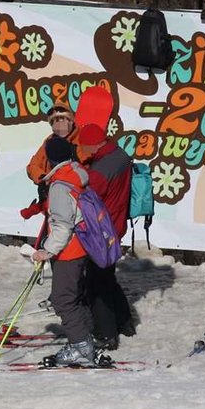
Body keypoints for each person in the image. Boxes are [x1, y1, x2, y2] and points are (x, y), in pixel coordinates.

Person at [31, 135, 95, 366]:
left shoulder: (60, 185)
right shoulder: (75, 173)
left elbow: (63, 224)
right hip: (80, 246)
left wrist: (46, 251)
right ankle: (81, 338)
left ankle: (81, 347)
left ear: (50, 158)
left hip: (68, 250)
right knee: (71, 296)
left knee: (63, 299)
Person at [78, 123, 135, 350]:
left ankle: (106, 334)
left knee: (96, 283)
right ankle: (124, 322)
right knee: (107, 276)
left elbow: (87, 195)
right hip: (116, 223)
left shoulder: (100, 171)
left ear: (92, 144)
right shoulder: (119, 155)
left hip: (102, 230)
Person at [21, 99, 80, 220]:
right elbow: (32, 166)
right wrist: (43, 178)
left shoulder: (81, 140)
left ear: (70, 120)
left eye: (62, 119)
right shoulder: (49, 142)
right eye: (55, 120)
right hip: (53, 199)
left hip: (77, 201)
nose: (59, 123)